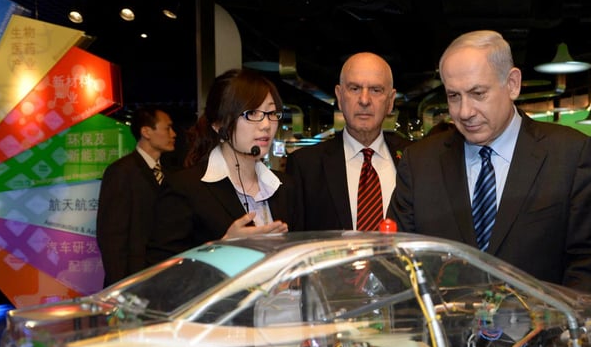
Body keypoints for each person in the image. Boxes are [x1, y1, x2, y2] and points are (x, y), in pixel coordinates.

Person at [388, 30, 591, 295]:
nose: (465, 112)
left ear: (512, 84)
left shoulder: (569, 154)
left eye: (478, 93)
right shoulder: (419, 163)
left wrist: (560, 320)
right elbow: (396, 265)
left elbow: (589, 264)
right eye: (454, 96)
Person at [146, 69, 291, 264]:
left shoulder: (285, 186)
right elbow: (159, 271)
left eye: (271, 113)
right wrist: (221, 248)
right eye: (252, 113)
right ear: (219, 125)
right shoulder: (185, 188)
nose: (266, 124)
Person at [287, 52, 410, 231]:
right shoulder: (305, 166)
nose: (364, 100)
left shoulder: (415, 160)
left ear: (390, 101)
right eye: (354, 88)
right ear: (339, 96)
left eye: (376, 90)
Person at [96, 106, 176, 286]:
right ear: (146, 132)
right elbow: (111, 236)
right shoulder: (121, 171)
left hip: (164, 277)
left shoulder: (171, 173)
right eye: (167, 128)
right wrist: (120, 287)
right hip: (132, 279)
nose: (173, 134)